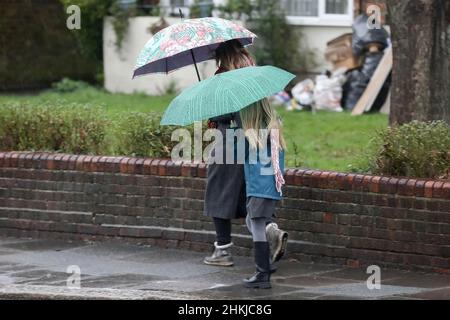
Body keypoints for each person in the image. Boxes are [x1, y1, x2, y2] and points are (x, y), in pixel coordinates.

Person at [203, 40, 288, 272]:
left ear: (220, 55)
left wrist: (208, 102)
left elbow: (226, 112)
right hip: (258, 138)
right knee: (252, 190)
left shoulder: (224, 76)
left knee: (218, 191)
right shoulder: (252, 70)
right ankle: (270, 230)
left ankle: (222, 250)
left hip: (230, 139)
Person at [240, 98, 288, 289]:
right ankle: (266, 265)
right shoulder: (273, 127)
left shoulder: (253, 134)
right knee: (251, 221)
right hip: (268, 185)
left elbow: (233, 153)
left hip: (259, 185)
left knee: (257, 225)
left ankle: (262, 273)